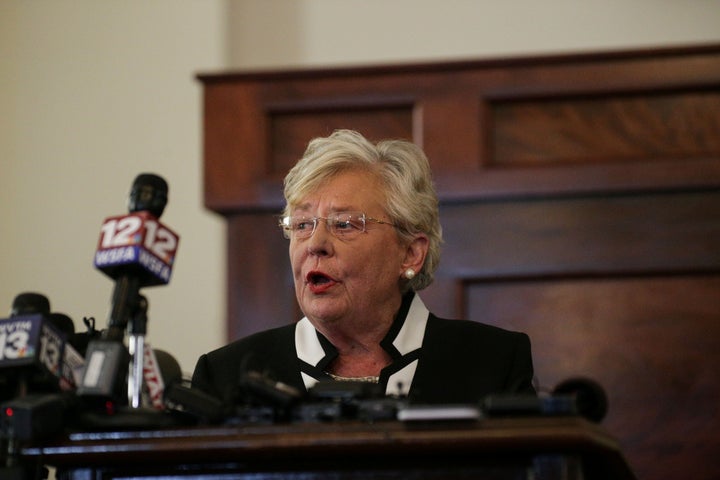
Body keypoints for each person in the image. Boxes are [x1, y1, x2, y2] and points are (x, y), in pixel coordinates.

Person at [192, 129, 535, 405]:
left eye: (344, 224)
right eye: (301, 225)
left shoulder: (494, 363)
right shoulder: (226, 375)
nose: (314, 244)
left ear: (410, 254)